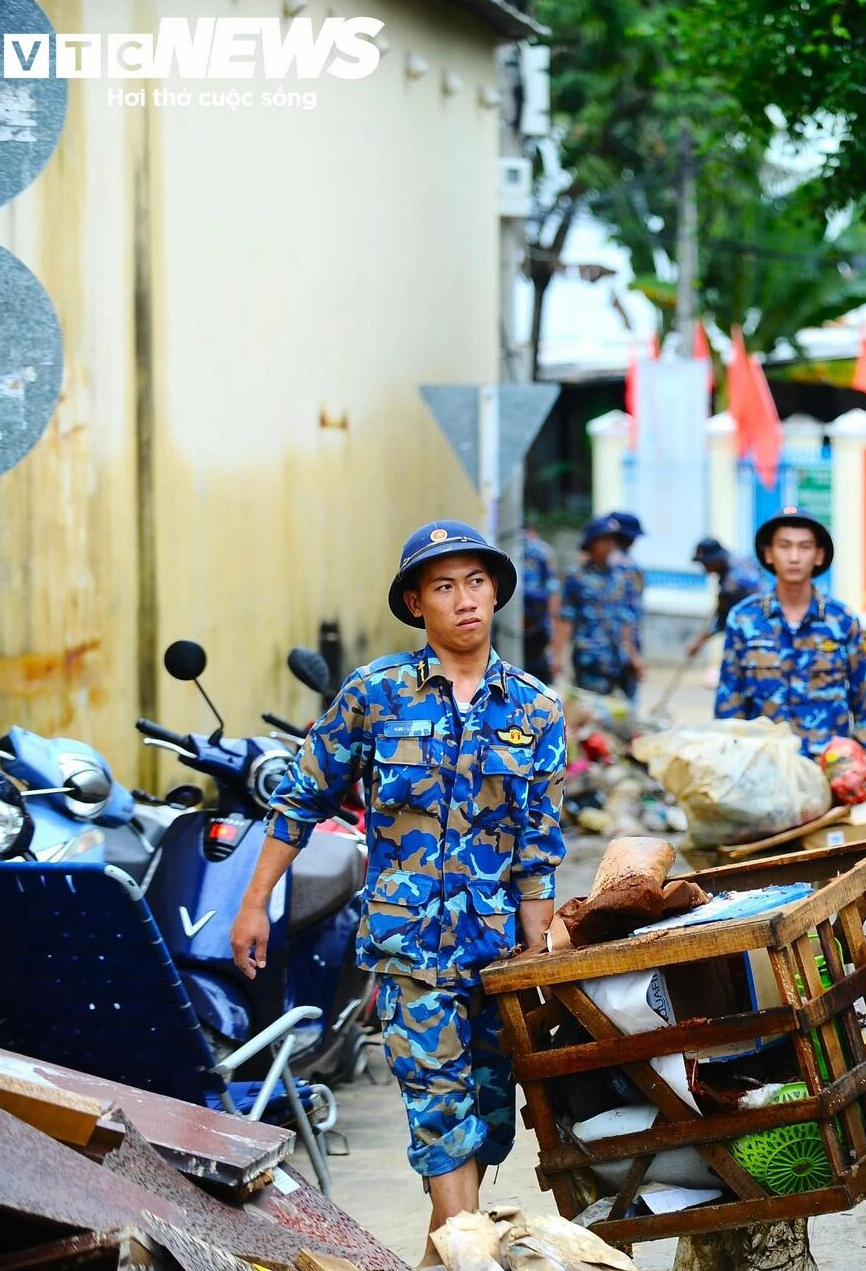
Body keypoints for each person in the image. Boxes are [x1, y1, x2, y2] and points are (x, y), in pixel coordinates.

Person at [229, 520, 565, 1255]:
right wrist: (254, 903)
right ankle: (463, 1253)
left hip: (497, 948)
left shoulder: (536, 710)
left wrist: (540, 959)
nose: (465, 600)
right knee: (439, 1114)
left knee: (485, 1118)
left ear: (496, 592)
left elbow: (539, 847)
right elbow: (300, 798)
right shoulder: (376, 694)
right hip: (409, 944)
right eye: (444, 586)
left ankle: (442, 1249)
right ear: (417, 604)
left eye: (476, 581)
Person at [714, 506, 866, 764]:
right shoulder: (744, 619)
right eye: (784, 546)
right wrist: (726, 762)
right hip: (763, 767)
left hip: (827, 767)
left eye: (804, 547)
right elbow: (730, 699)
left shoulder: (842, 621)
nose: (794, 557)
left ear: (818, 556)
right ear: (769, 554)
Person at [553, 516, 636, 698]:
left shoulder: (619, 577)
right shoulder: (577, 577)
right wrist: (558, 656)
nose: (609, 546)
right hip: (590, 660)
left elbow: (626, 619)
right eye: (604, 540)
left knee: (620, 716)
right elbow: (566, 618)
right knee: (592, 715)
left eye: (612, 541)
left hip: (618, 660)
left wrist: (633, 656)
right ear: (591, 543)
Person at [685, 537, 766, 658]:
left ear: (714, 559)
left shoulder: (733, 583)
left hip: (757, 627)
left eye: (704, 563)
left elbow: (722, 620)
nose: (704, 568)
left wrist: (700, 641)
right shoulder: (737, 559)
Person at [607, 512, 647, 699]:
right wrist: (633, 655)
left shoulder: (595, 563)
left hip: (596, 651)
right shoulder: (630, 568)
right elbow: (628, 614)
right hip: (624, 648)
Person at [519, 524, 556, 685]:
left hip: (529, 624)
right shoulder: (542, 550)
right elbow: (552, 590)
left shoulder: (499, 546)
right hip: (534, 623)